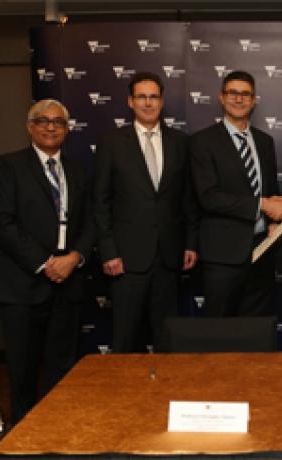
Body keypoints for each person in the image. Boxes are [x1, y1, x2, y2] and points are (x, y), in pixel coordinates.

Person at [0, 99, 95, 425]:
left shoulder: (78, 170)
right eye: (43, 120)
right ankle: (21, 434)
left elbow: (92, 222)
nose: (51, 127)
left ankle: (54, 429)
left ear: (67, 129)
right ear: (30, 126)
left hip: (69, 283)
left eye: (59, 122)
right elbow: (3, 224)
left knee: (61, 367)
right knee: (21, 369)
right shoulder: (9, 166)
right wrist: (46, 263)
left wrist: (74, 257)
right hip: (24, 285)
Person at [93, 71, 199, 352]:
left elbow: (187, 198)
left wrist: (190, 243)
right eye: (141, 97)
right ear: (130, 102)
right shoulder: (111, 143)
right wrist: (109, 251)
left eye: (153, 97)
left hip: (169, 258)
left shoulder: (180, 142)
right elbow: (100, 201)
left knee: (168, 340)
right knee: (126, 340)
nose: (148, 103)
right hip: (126, 261)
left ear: (162, 102)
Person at [190, 70, 282, 317]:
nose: (239, 99)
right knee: (221, 333)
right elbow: (208, 197)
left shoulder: (264, 142)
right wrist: (262, 205)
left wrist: (276, 219)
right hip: (223, 257)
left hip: (262, 252)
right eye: (233, 93)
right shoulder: (202, 142)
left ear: (254, 100)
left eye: (245, 94)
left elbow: (269, 191)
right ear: (222, 98)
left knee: (257, 332)